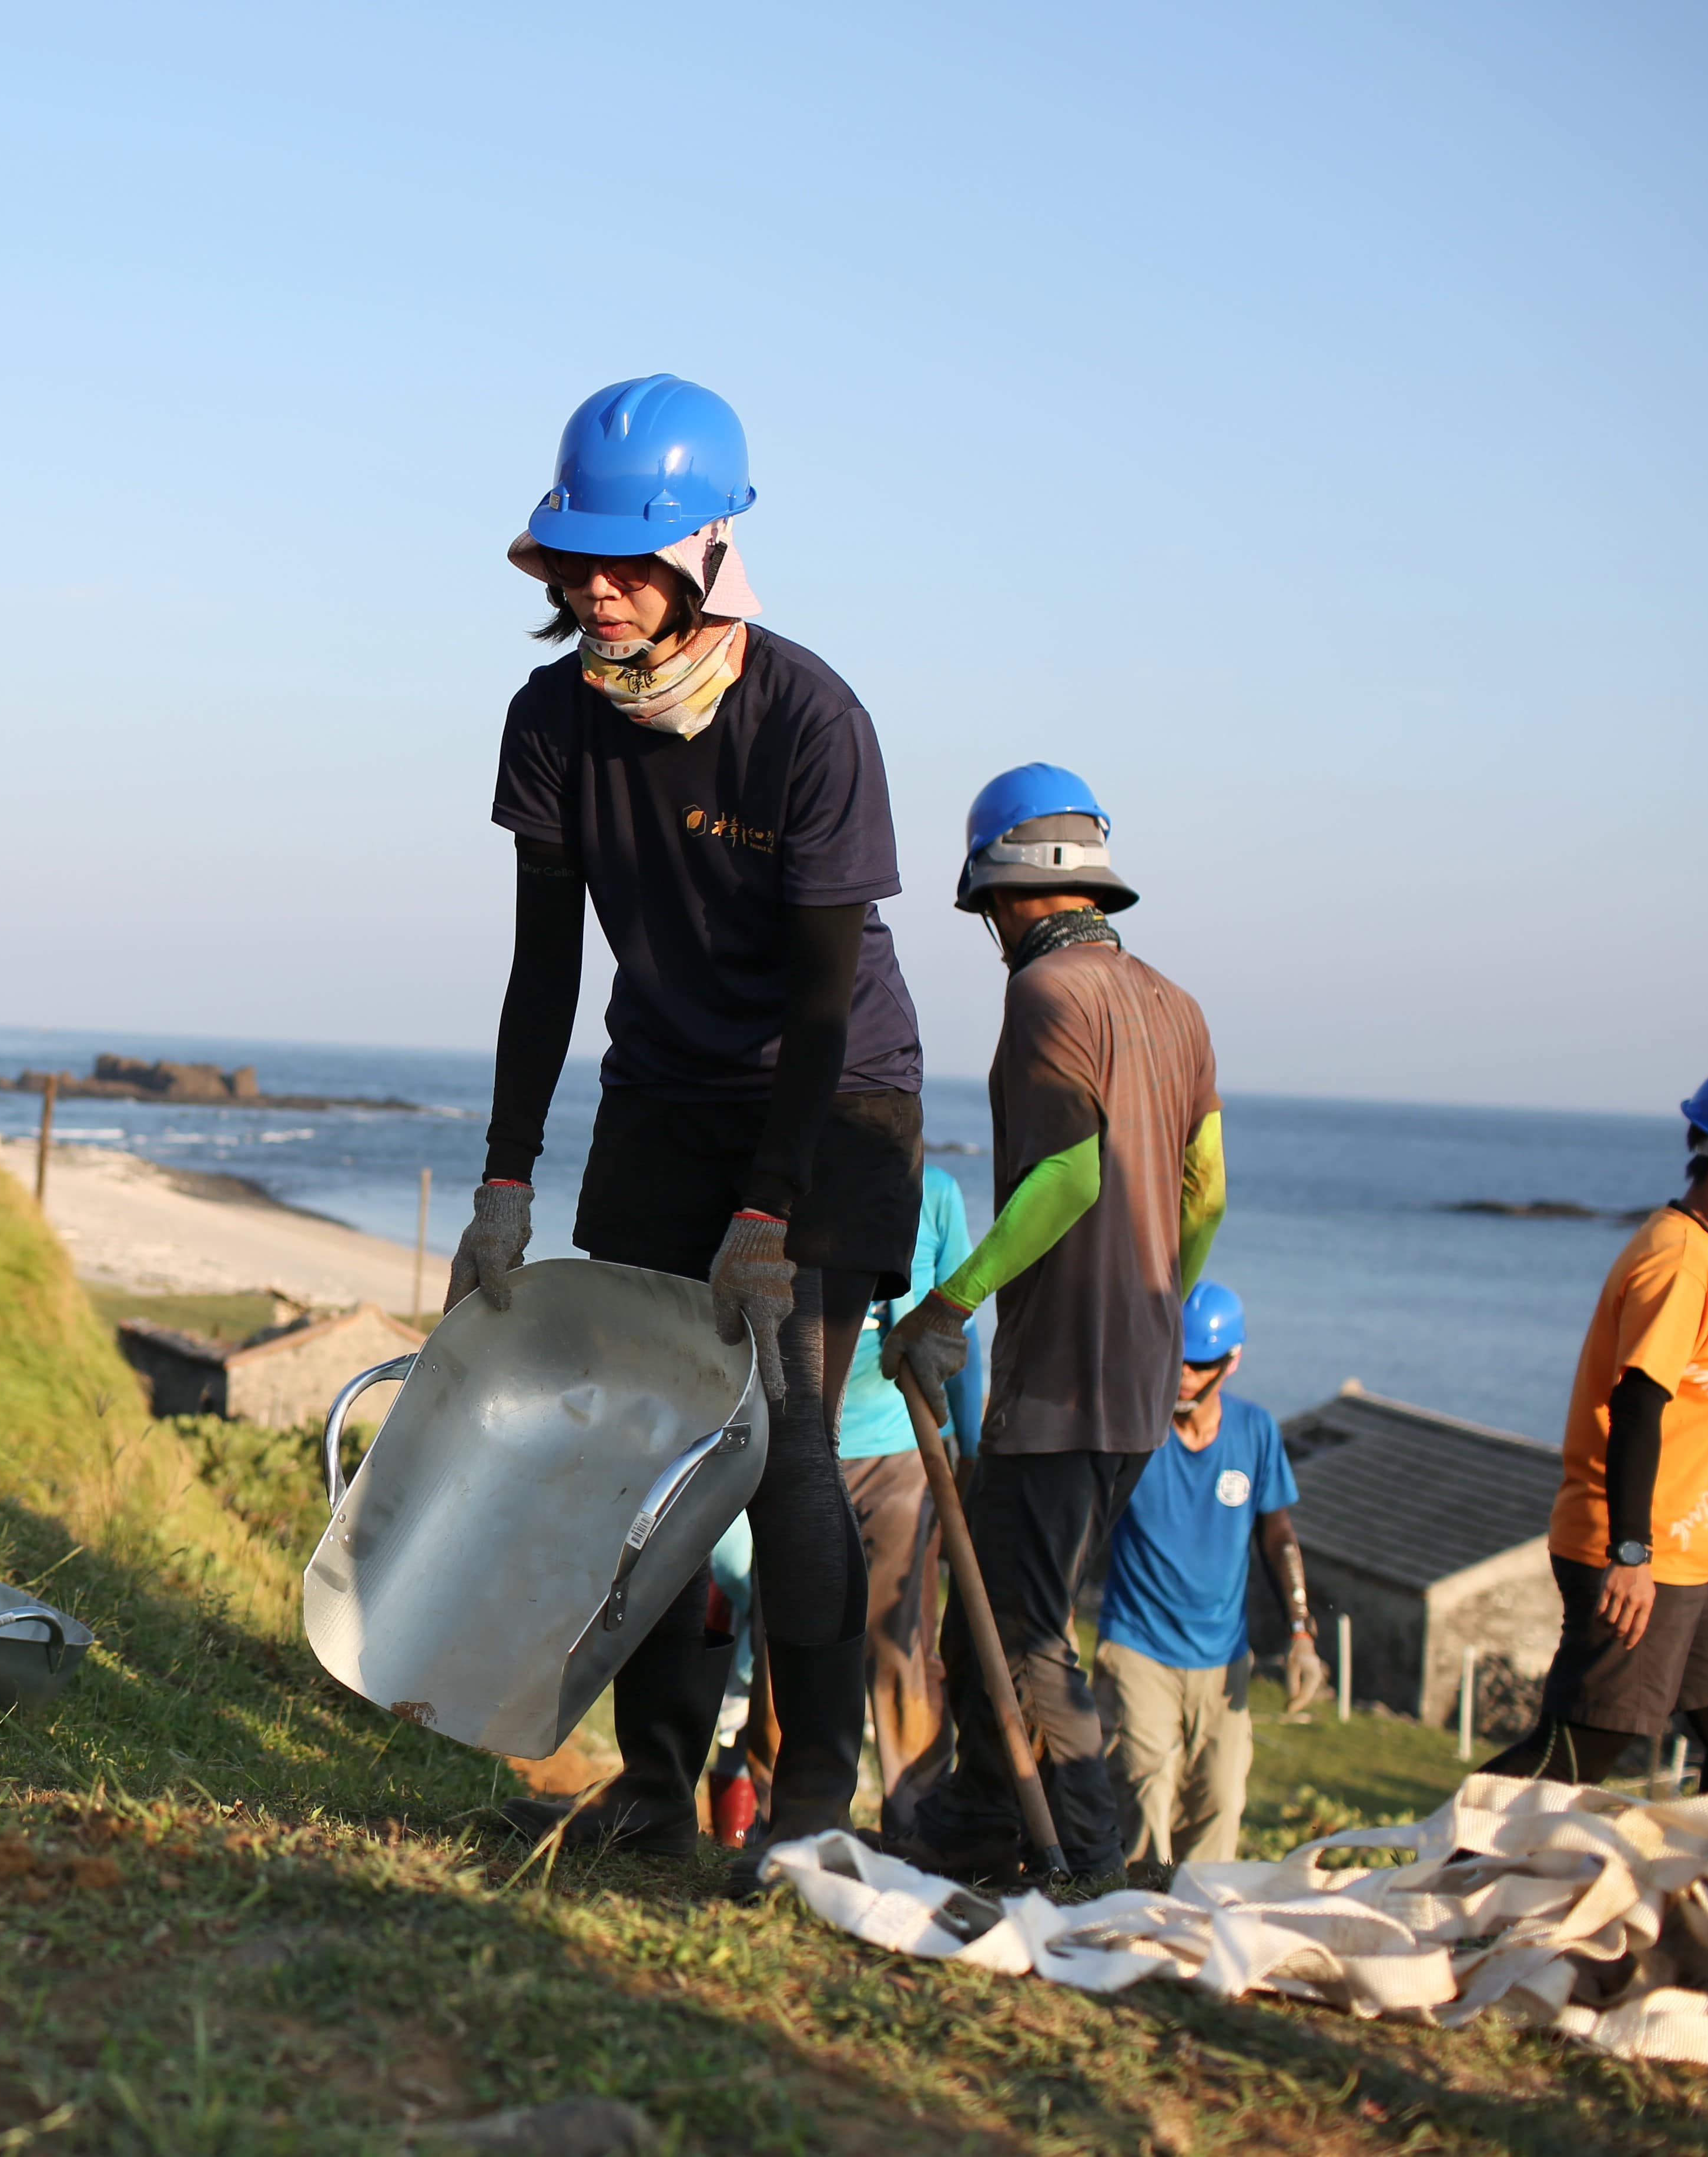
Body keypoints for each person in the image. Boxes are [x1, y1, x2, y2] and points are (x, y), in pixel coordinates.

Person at [447, 375, 928, 1890]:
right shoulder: (552, 722)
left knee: (782, 1441)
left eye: (627, 558)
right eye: (575, 558)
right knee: (648, 1441)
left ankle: (811, 1810)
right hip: (660, 1088)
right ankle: (654, 1796)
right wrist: (505, 1176)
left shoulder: (808, 718)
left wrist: (773, 1209)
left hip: (833, 1097)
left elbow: (823, 985)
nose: (596, 586)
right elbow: (544, 967)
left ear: (707, 553)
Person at [880, 763, 1224, 1880]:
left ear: (999, 888)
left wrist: (950, 1301)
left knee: (1022, 1636)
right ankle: (983, 1822)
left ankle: (1088, 1851)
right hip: (1133, 1381)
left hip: (1059, 1380)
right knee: (984, 1611)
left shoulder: (1045, 997)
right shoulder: (1177, 1006)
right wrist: (1160, 1304)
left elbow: (1069, 1177)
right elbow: (1205, 1190)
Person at [1481, 1058, 1708, 1813]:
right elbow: (1637, 1407)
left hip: (1696, 1561)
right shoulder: (1679, 1262)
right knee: (1577, 1751)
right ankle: (1428, 1882)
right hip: (1642, 1555)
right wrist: (1630, 1553)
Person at [1094, 1281, 1324, 1868]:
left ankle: (1199, 1927)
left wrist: (1300, 1632)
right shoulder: (1132, 1430)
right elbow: (1081, 1528)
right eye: (1176, 1361)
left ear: (1232, 1361)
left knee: (1220, 1800)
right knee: (1145, 1785)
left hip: (1223, 1657)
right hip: (1136, 1646)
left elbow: (1276, 1535)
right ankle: (1137, 1922)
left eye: (1200, 1366)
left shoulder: (1255, 1432)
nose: (1185, 1378)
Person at [834, 1162, 983, 1837]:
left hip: (902, 1446)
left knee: (900, 1646)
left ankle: (914, 1826)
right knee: (789, 1641)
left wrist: (969, 1440)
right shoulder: (798, 1170)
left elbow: (960, 1328)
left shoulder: (939, 1194)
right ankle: (789, 1821)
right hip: (807, 1443)